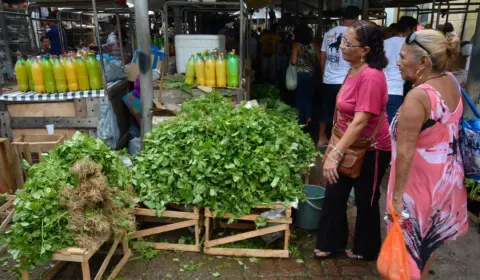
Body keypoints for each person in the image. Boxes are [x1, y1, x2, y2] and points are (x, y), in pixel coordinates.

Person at [387, 29, 467, 280]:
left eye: (402, 56)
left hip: (417, 188)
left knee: (403, 257)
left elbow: (406, 152)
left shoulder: (419, 96)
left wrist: (397, 199)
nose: (397, 62)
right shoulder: (452, 82)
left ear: (423, 62)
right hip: (447, 181)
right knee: (427, 244)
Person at [314, 21, 391, 260]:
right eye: (343, 41)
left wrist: (335, 153)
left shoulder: (371, 77)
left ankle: (365, 249)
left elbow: (360, 121)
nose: (341, 47)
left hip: (372, 148)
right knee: (335, 193)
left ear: (365, 50)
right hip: (348, 142)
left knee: (366, 199)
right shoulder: (353, 69)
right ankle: (331, 242)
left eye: (348, 43)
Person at [317, 6, 360, 148]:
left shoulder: (329, 33)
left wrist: (324, 76)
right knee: (344, 112)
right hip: (345, 80)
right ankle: (339, 141)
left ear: (342, 18)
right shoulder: (354, 34)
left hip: (329, 79)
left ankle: (321, 137)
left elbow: (322, 57)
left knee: (325, 108)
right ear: (356, 19)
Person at [383, 17, 415, 123]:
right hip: (396, 89)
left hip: (381, 86)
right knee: (392, 123)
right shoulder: (409, 45)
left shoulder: (384, 43)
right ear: (409, 29)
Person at [290, 24, 321, 125]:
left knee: (299, 97)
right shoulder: (314, 45)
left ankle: (300, 120)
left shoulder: (296, 45)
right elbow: (320, 59)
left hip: (298, 74)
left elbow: (293, 61)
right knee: (308, 97)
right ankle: (309, 118)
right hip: (310, 74)